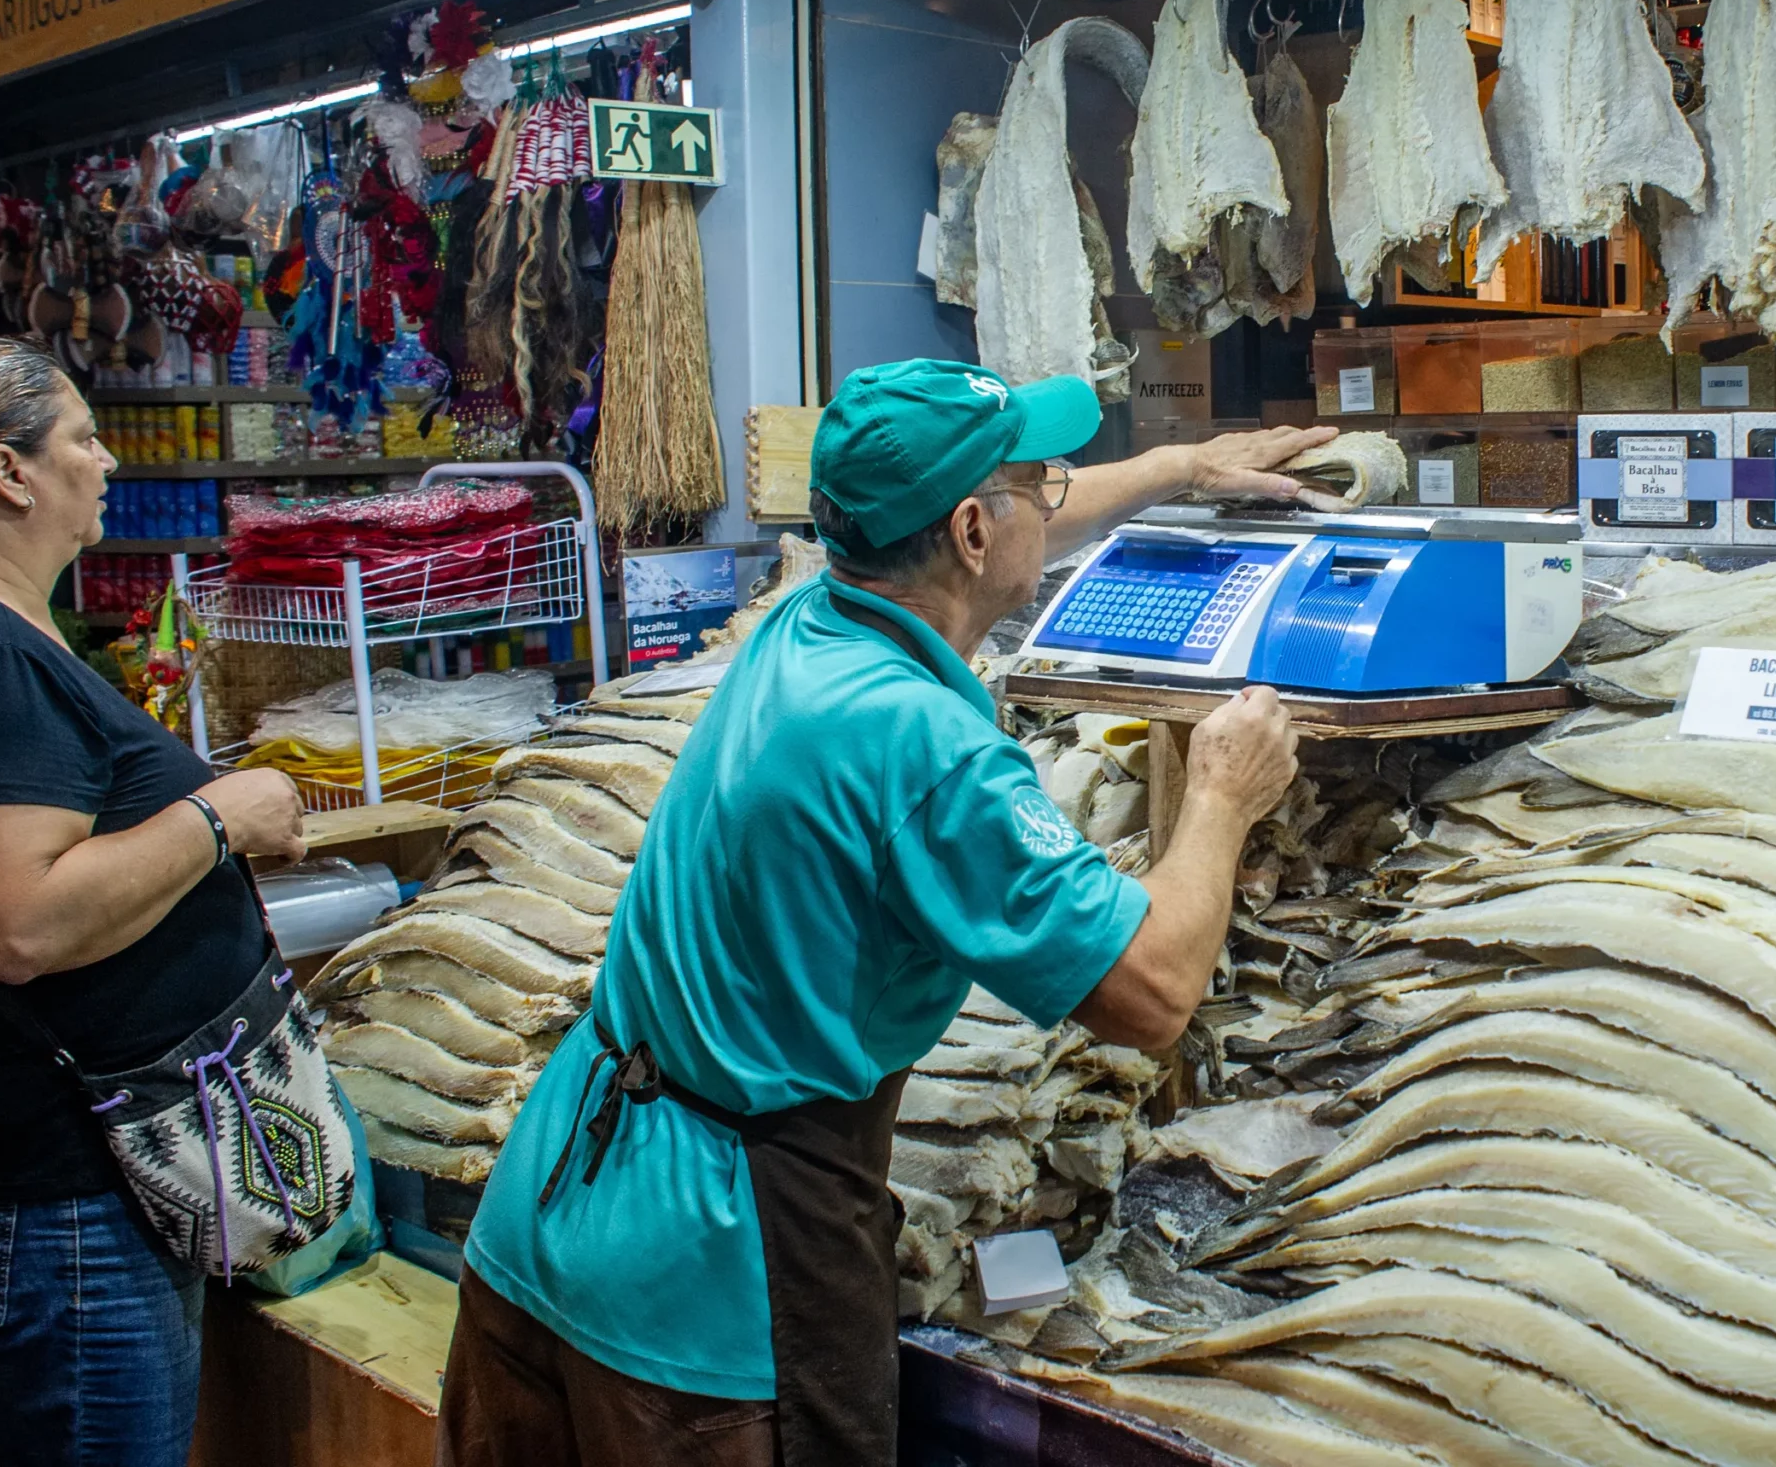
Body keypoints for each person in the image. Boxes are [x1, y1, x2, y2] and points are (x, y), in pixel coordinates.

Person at [438, 360, 1333, 1466]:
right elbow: (1151, 991)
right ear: (971, 531)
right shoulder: (925, 744)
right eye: (1035, 481)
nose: (1052, 495)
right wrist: (1221, 795)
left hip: (547, 1217)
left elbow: (1008, 530)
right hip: (708, 1288)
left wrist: (1179, 467)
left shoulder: (810, 619)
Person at [0, 336, 305, 1467]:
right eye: (85, 438)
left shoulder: (1, 632)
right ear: (10, 471)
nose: (106, 461)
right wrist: (221, 817)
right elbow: (17, 922)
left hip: (74, 1189)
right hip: (67, 1202)